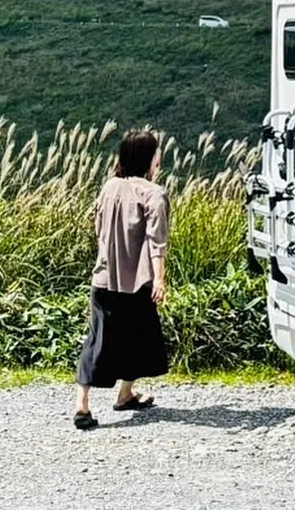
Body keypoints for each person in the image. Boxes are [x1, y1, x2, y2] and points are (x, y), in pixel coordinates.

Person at [72, 129, 171, 430]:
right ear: (150, 159)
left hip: (102, 280)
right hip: (136, 283)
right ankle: (124, 394)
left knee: (98, 340)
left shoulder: (109, 187)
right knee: (139, 337)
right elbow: (157, 242)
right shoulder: (154, 194)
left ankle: (85, 405)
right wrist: (159, 280)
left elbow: (98, 226)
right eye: (157, 153)